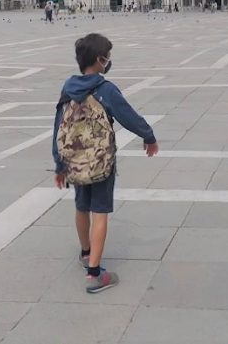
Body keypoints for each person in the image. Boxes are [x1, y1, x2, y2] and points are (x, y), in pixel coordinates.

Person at [53, 33, 158, 294]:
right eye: (107, 57)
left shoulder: (68, 87)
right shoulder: (105, 89)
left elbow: (57, 127)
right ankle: (94, 274)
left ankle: (86, 253)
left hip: (75, 162)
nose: (109, 61)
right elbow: (128, 116)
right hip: (100, 163)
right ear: (100, 61)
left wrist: (59, 164)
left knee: (81, 206)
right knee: (100, 212)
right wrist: (149, 136)